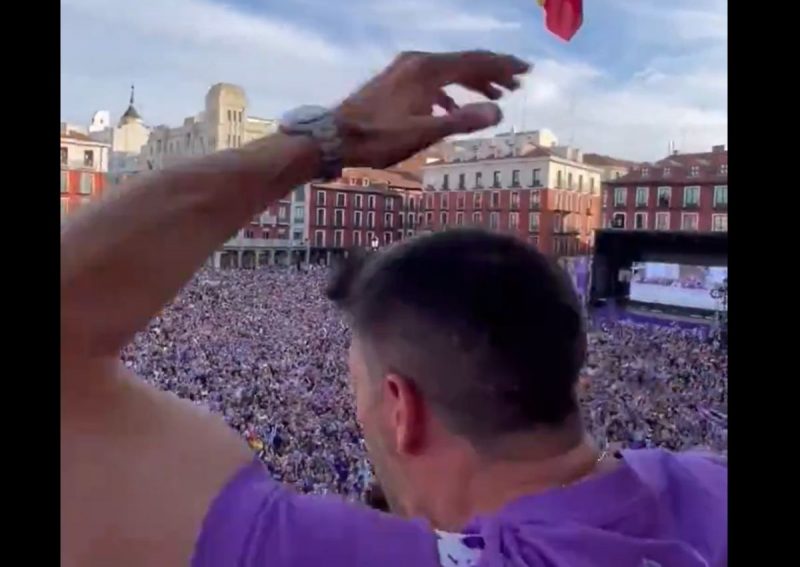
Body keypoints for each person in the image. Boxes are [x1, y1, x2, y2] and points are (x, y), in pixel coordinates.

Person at [61, 50, 726, 567]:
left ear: (401, 408)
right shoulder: (709, 483)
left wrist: (326, 138)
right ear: (571, 375)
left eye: (358, 392)